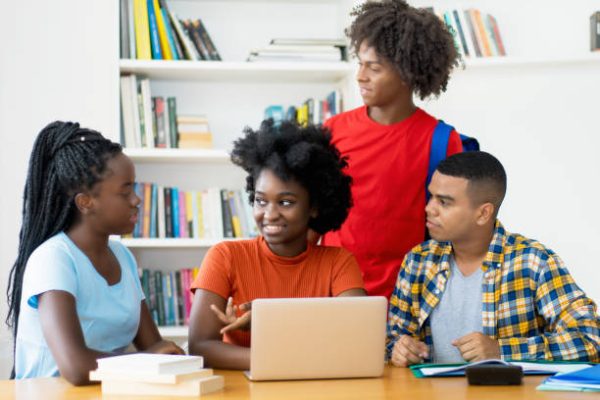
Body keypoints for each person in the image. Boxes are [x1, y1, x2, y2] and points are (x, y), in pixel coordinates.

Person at [6, 121, 183, 385]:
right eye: (126, 191)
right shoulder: (54, 259)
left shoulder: (123, 257)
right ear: (85, 202)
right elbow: (76, 367)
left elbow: (153, 345)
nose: (137, 200)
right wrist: (146, 360)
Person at [387, 151, 600, 366]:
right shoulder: (417, 262)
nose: (429, 208)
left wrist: (502, 351)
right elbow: (391, 340)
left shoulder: (533, 262)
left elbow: (590, 339)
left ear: (483, 213)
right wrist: (399, 350)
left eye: (444, 202)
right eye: (431, 196)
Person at [188, 121, 366, 370]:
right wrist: (282, 359)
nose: (269, 214)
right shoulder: (225, 256)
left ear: (314, 206)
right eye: (261, 201)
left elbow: (357, 338)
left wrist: (268, 324)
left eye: (285, 202)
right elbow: (200, 346)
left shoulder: (339, 263)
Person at [321, 0, 464, 299]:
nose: (361, 76)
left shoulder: (441, 141)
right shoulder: (333, 131)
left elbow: (453, 230)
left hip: (409, 300)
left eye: (373, 67)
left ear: (406, 72)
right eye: (359, 63)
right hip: (332, 293)